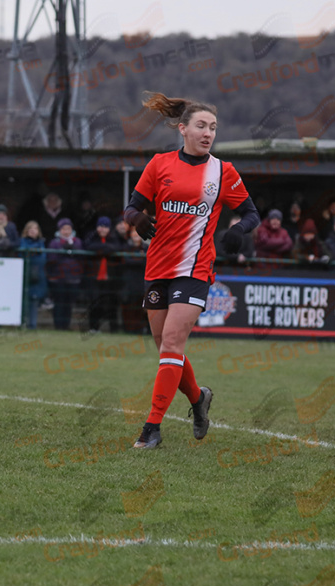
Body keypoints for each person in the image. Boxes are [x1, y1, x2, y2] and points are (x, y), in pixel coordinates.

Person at [123, 91, 260, 449]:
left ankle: (151, 429)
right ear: (182, 129)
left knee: (171, 343)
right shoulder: (159, 164)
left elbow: (251, 214)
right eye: (201, 126)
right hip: (157, 267)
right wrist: (137, 218)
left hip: (195, 269)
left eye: (213, 128)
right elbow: (131, 207)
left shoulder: (222, 171)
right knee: (166, 348)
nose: (208, 133)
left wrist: (236, 231)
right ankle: (198, 398)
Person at [82, 216, 122, 333]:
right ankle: (93, 327)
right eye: (100, 226)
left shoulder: (114, 238)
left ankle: (113, 329)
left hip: (110, 279)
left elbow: (116, 248)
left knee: (111, 304)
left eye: (105, 227)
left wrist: (102, 249)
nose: (102, 229)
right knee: (94, 303)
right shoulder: (92, 237)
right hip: (94, 277)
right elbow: (89, 246)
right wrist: (105, 249)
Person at [45, 218, 83, 330]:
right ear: (59, 230)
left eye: (68, 229)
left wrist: (72, 250)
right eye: (63, 229)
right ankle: (58, 326)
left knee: (68, 304)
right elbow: (51, 259)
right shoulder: (54, 243)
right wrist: (63, 252)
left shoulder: (77, 242)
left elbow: (81, 258)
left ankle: (66, 326)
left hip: (73, 278)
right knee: (59, 303)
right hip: (58, 278)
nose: (66, 231)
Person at [19, 221, 47, 329]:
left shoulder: (41, 243)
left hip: (37, 276)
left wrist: (31, 252)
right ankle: (22, 323)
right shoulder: (22, 241)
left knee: (34, 300)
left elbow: (43, 258)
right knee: (23, 300)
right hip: (24, 273)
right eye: (30, 229)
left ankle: (32, 324)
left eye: (35, 229)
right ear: (26, 231)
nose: (33, 231)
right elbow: (22, 254)